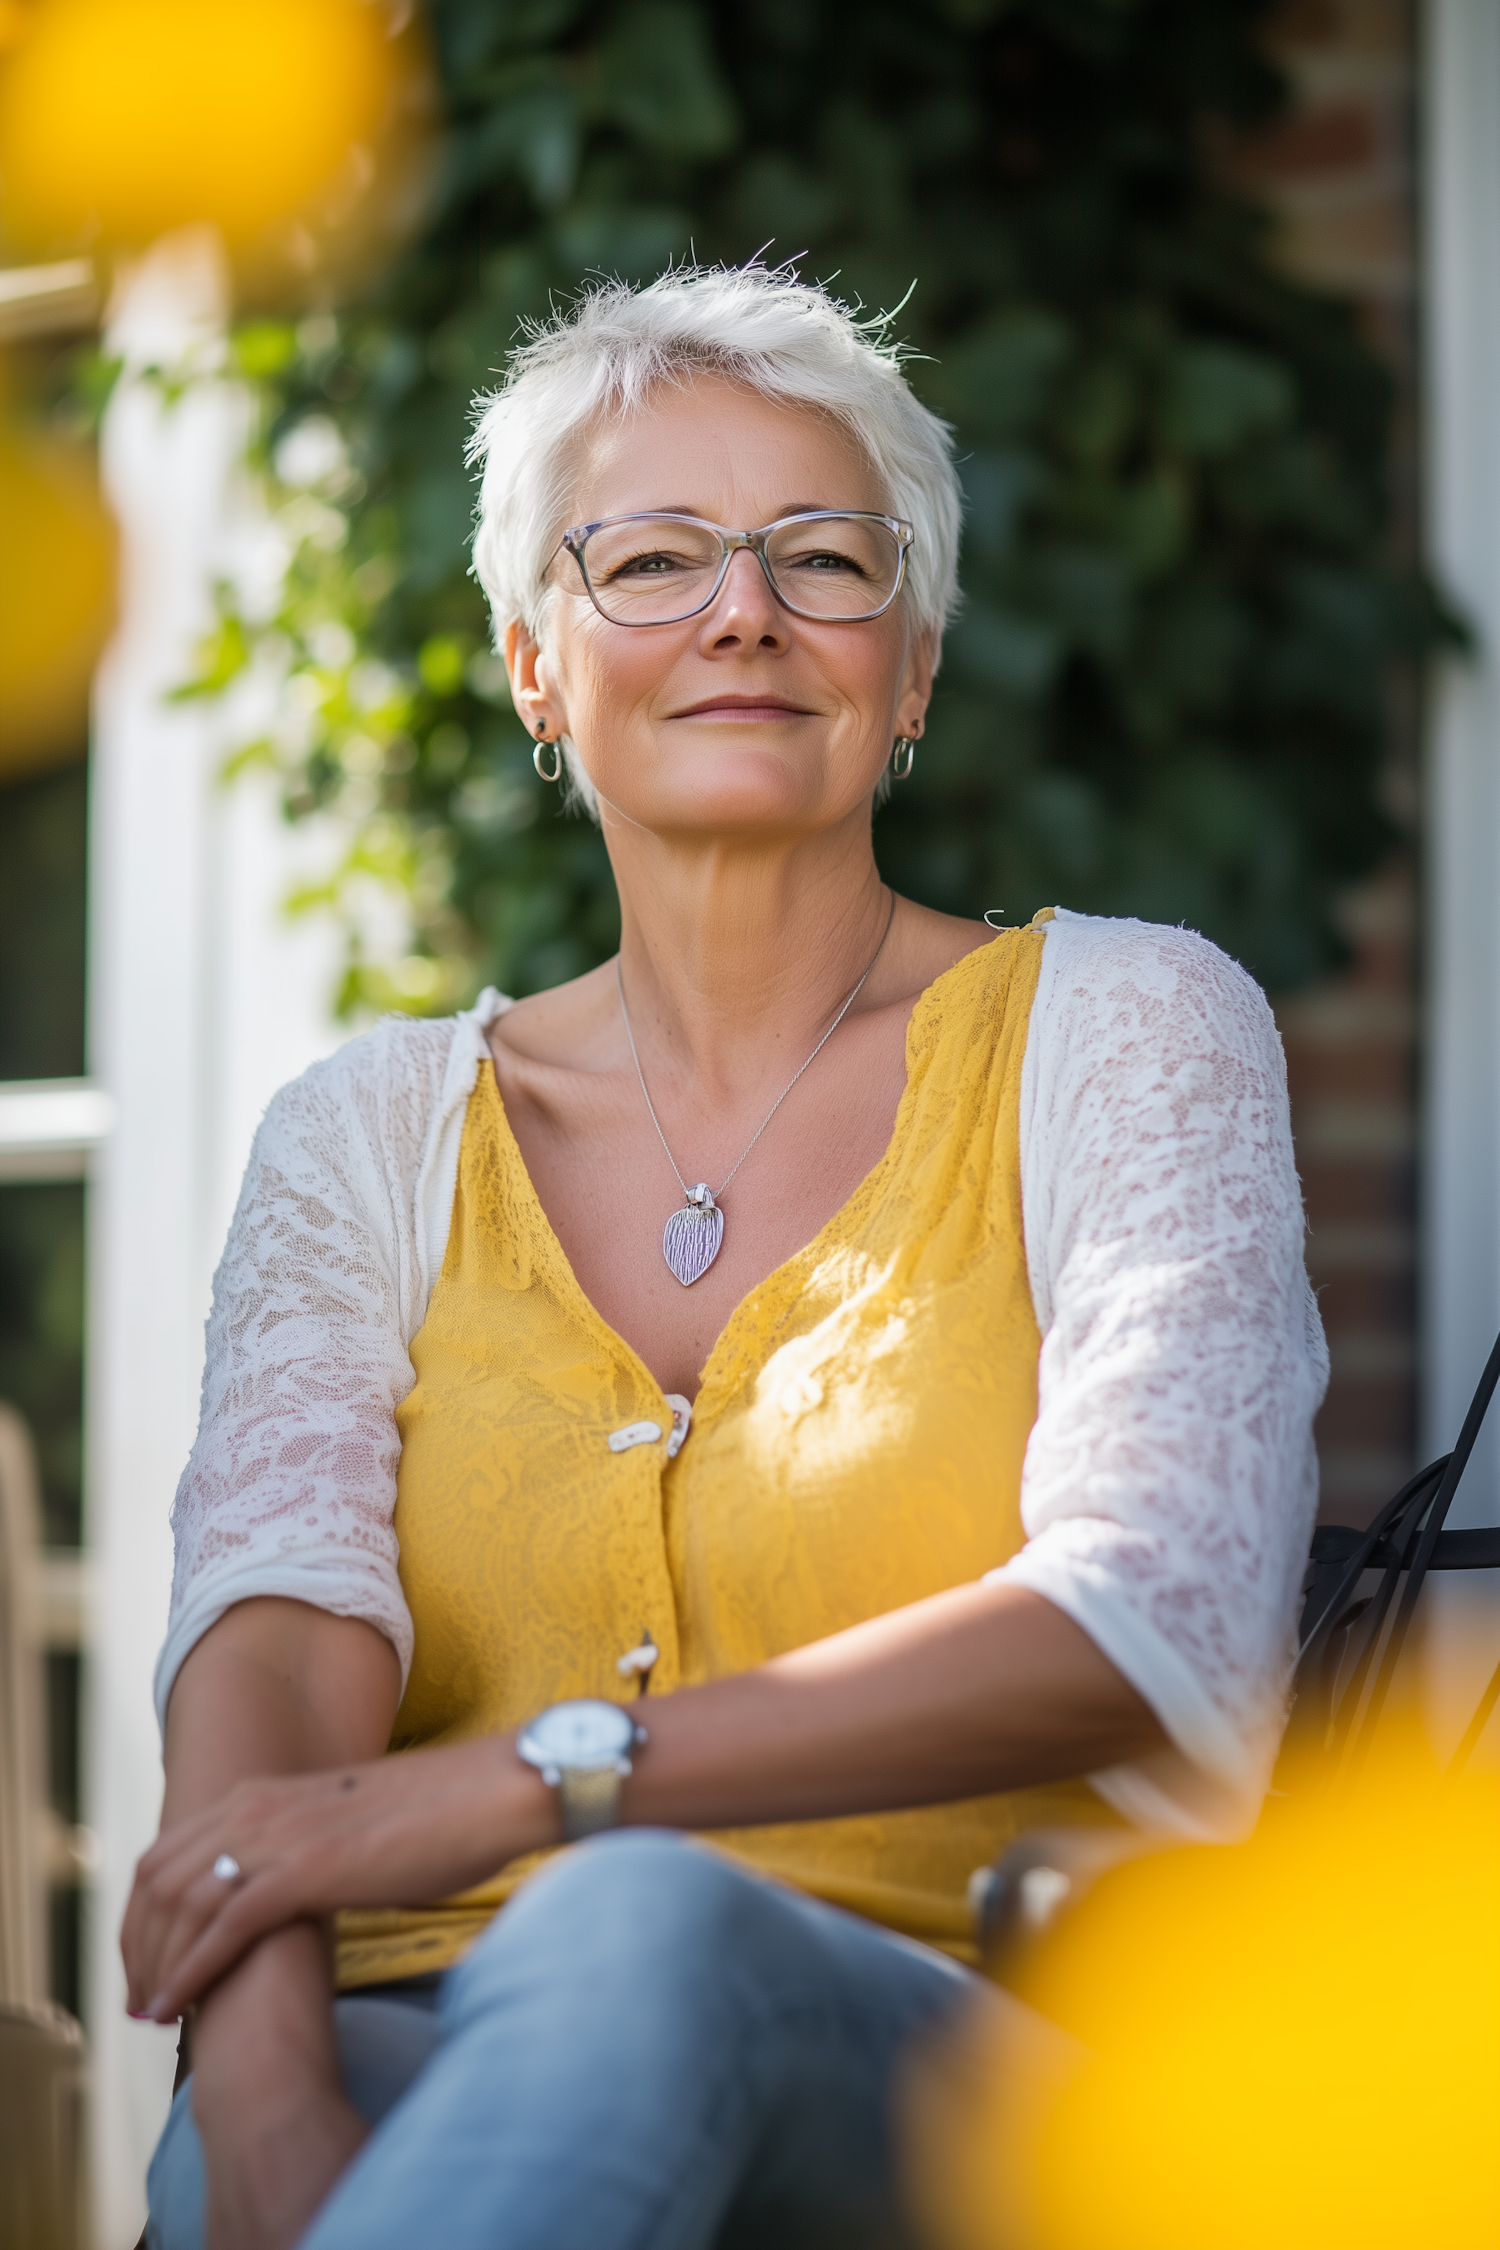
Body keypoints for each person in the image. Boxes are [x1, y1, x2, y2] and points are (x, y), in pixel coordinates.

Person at [132, 262, 1327, 2250]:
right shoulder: (363, 1137)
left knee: (644, 1923)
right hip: (408, 2040)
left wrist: (540, 1784)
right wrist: (252, 2100)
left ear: (913, 666)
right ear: (534, 663)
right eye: (654, 558)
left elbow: (1158, 1611)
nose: (745, 612)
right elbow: (269, 1650)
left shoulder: (1127, 1029)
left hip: (975, 2079)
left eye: (825, 560)